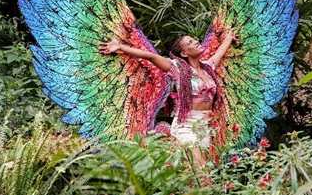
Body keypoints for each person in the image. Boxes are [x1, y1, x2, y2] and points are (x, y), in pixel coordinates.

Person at [99, 31, 236, 171]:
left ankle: (188, 193)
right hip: (187, 125)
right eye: (189, 42)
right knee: (199, 167)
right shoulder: (178, 68)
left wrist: (229, 38)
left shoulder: (208, 67)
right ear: (184, 53)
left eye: (194, 40)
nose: (195, 41)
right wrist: (120, 47)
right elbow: (151, 56)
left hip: (205, 126)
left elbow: (221, 50)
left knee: (200, 172)